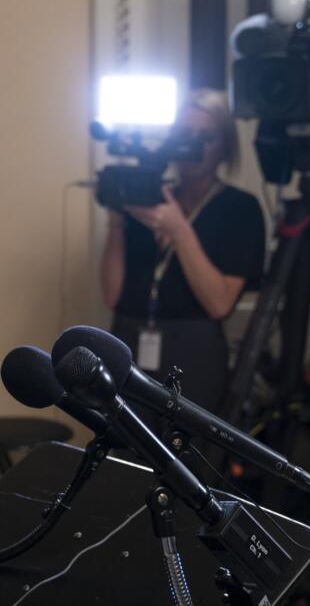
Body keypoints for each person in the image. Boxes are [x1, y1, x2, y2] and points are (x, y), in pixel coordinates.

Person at [100, 89, 266, 409]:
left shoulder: (240, 209)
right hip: (129, 343)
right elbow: (112, 296)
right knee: (124, 449)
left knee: (188, 453)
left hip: (194, 353)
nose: (194, 147)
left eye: (207, 137)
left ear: (225, 147)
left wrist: (179, 230)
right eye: (185, 135)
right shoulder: (149, 197)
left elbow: (219, 304)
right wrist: (116, 223)